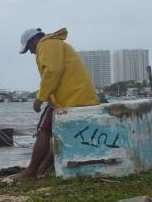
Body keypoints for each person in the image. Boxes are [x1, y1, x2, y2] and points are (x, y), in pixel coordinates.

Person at [13, 27, 99, 181]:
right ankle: (43, 169)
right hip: (79, 97)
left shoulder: (47, 44)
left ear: (34, 40)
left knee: (43, 131)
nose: (31, 52)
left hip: (70, 98)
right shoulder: (56, 44)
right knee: (58, 134)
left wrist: (40, 98)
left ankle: (32, 171)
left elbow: (52, 71)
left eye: (29, 48)